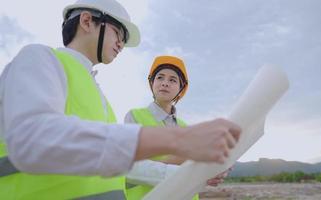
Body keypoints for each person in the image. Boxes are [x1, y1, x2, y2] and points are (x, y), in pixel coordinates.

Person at [0, 0, 241, 199]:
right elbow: (34, 139)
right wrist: (178, 139)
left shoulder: (98, 96)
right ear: (87, 21)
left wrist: (195, 175)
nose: (121, 44)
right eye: (119, 33)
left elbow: (125, 164)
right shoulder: (39, 58)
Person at [124, 55, 230, 200]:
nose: (165, 83)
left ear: (181, 89)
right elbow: (128, 166)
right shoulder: (135, 116)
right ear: (152, 83)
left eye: (172, 80)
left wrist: (211, 169)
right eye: (160, 77)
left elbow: (194, 167)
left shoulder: (185, 128)